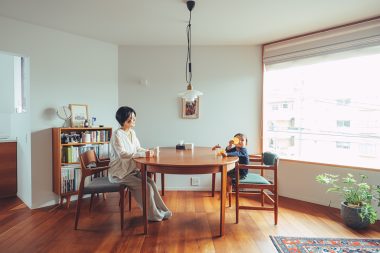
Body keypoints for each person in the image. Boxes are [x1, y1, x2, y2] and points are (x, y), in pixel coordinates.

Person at [108, 106, 172, 221]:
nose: (133, 120)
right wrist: (142, 154)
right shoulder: (117, 135)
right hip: (119, 173)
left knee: (151, 182)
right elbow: (122, 154)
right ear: (123, 120)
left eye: (133, 117)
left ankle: (162, 210)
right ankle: (153, 215)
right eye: (130, 118)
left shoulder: (132, 132)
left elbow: (138, 148)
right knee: (146, 187)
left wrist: (147, 151)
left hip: (131, 170)